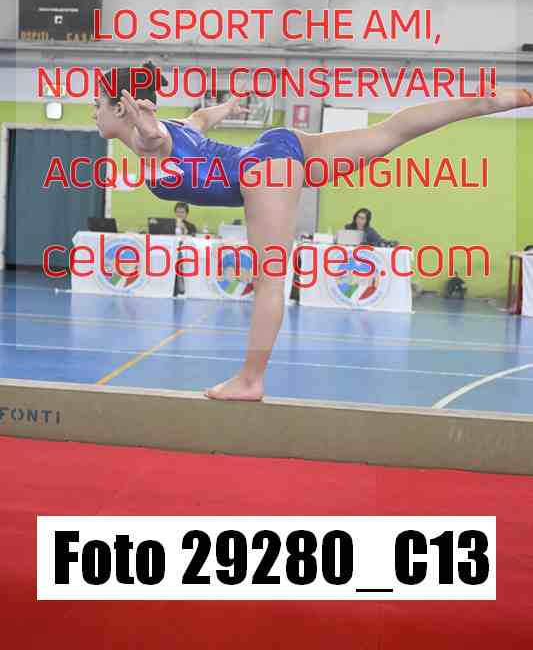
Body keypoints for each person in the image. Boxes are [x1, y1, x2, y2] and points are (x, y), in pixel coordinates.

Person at [92, 61, 533, 402]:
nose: (95, 112)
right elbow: (201, 117)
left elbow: (154, 138)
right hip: (280, 146)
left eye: (98, 104)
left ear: (121, 107)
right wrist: (227, 107)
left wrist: (147, 127)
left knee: (270, 279)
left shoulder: (152, 140)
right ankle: (492, 101)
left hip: (262, 170)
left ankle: (250, 379)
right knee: (388, 132)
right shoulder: (178, 128)